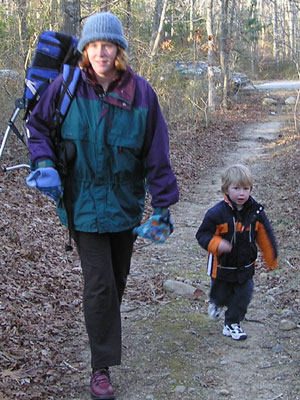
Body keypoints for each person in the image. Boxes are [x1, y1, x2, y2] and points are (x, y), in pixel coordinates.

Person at [25, 12, 179, 400]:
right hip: (82, 205)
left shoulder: (142, 95)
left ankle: (103, 332)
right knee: (98, 285)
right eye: (93, 45)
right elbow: (38, 128)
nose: (101, 52)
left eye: (108, 45)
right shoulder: (66, 88)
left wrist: (162, 207)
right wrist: (44, 164)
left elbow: (156, 153)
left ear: (120, 50)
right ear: (84, 50)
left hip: (124, 205)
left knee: (116, 281)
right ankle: (101, 369)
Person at [196, 164, 277, 340]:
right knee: (221, 294)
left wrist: (271, 258)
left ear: (251, 189)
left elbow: (265, 235)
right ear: (226, 189)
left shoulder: (256, 212)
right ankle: (216, 303)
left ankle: (232, 324)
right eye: (236, 188)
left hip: (245, 266)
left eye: (246, 189)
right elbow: (202, 234)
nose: (241, 193)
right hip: (222, 267)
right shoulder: (216, 213)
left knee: (243, 296)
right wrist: (217, 244)